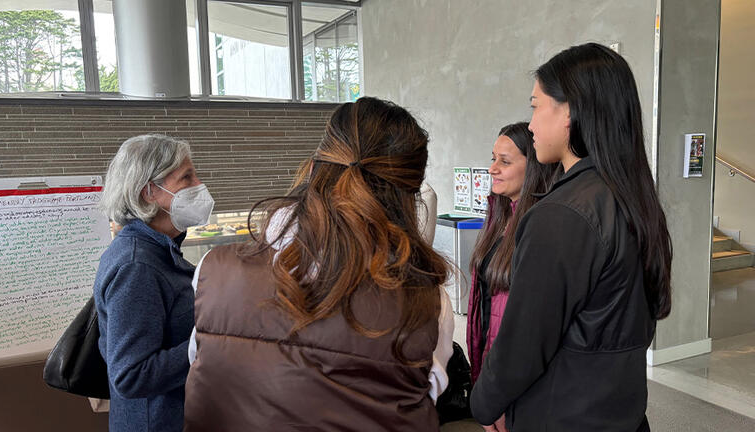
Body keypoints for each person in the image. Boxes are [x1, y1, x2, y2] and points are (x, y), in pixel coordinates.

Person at [184, 97, 454, 431]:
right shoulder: (425, 300)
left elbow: (203, 367)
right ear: (410, 196)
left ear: (313, 169)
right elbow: (426, 393)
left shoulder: (214, 270)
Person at [470, 43, 673, 432]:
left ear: (570, 111)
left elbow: (524, 345)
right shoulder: (632, 197)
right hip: (620, 409)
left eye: (536, 105)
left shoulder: (562, 214)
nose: (530, 124)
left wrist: (485, 403)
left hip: (562, 413)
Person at [94, 134, 214, 432]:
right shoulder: (136, 266)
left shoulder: (158, 251)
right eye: (187, 177)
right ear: (149, 192)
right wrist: (211, 341)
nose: (199, 185)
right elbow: (131, 374)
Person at [466, 122, 558, 384]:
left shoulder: (542, 227)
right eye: (493, 159)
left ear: (533, 168)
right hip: (489, 357)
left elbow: (531, 332)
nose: (492, 168)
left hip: (513, 375)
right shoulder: (498, 214)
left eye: (504, 161)